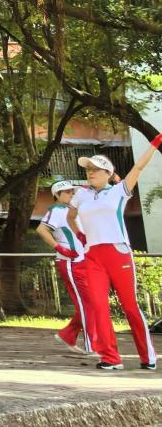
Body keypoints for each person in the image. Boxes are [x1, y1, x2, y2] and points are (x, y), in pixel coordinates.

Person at [69, 136, 161, 371]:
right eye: (88, 169)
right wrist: (80, 235)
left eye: (95, 169)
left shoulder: (120, 190)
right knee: (99, 307)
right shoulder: (81, 194)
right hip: (93, 255)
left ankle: (148, 356)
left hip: (118, 252)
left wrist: (154, 144)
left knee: (130, 306)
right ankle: (111, 358)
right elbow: (71, 216)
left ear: (108, 173)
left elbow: (138, 167)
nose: (90, 172)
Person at [36, 179, 94, 358]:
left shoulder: (72, 210)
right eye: (67, 192)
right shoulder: (56, 210)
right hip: (70, 261)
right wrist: (60, 248)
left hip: (82, 260)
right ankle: (92, 345)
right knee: (87, 304)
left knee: (90, 303)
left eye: (72, 191)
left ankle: (68, 334)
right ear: (57, 194)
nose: (71, 194)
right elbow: (41, 230)